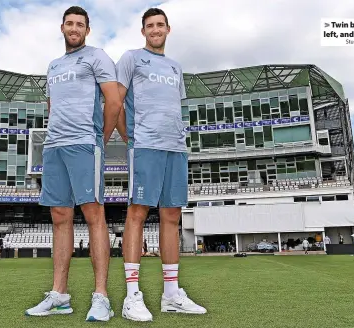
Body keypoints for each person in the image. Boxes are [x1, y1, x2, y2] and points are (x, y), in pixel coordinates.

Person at [24, 6, 121, 322]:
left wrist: (100, 139)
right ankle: (59, 295)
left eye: (80, 24)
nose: (74, 28)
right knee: (60, 216)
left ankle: (101, 297)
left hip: (84, 143)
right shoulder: (53, 66)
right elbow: (52, 107)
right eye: (70, 23)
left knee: (94, 214)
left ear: (87, 30)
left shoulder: (97, 57)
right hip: (54, 147)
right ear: (62, 27)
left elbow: (114, 100)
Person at [114, 7, 207, 322]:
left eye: (160, 25)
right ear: (143, 31)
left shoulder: (175, 68)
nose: (155, 29)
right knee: (137, 213)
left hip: (175, 147)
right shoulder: (130, 59)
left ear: (168, 29)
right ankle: (132, 296)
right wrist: (130, 138)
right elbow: (116, 102)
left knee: (171, 216)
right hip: (146, 146)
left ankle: (171, 294)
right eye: (149, 25)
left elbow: (173, 109)